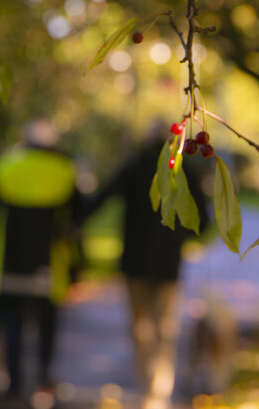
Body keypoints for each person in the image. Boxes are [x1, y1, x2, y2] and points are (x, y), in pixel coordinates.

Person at [83, 123, 209, 409]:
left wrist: (74, 215)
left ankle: (148, 386)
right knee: (164, 329)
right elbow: (204, 220)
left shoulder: (136, 165)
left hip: (135, 260)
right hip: (167, 261)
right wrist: (181, 236)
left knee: (142, 328)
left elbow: (101, 198)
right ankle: (158, 392)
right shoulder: (185, 169)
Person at [0, 119, 81, 406]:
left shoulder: (5, 167)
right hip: (49, 267)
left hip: (8, 266)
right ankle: (43, 383)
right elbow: (78, 217)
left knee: (12, 327)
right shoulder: (64, 171)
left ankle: (15, 387)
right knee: (46, 328)